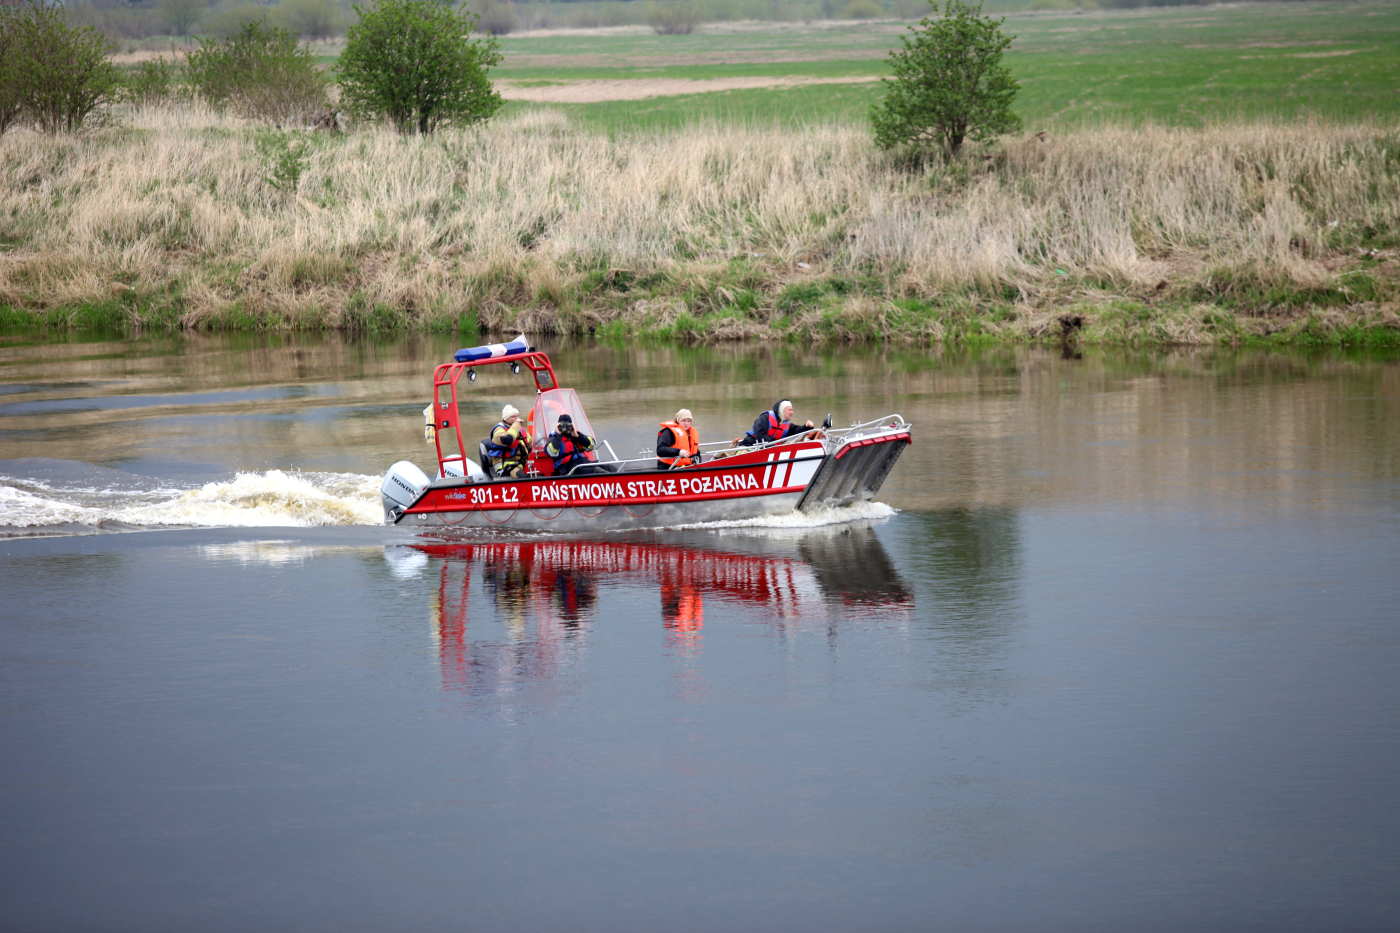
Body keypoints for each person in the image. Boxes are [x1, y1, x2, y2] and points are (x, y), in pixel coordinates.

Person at [737, 399, 813, 447]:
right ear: (782, 410)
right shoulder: (764, 418)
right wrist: (773, 445)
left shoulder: (785, 425)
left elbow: (797, 430)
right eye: (789, 410)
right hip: (749, 446)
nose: (792, 413)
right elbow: (760, 434)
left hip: (769, 449)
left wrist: (807, 427)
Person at [485, 404, 531, 478]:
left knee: (540, 472)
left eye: (518, 416)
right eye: (513, 417)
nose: (517, 418)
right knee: (524, 476)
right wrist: (517, 424)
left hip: (521, 464)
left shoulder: (521, 430)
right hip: (505, 465)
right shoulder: (499, 430)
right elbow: (508, 439)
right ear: (506, 419)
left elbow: (532, 443)